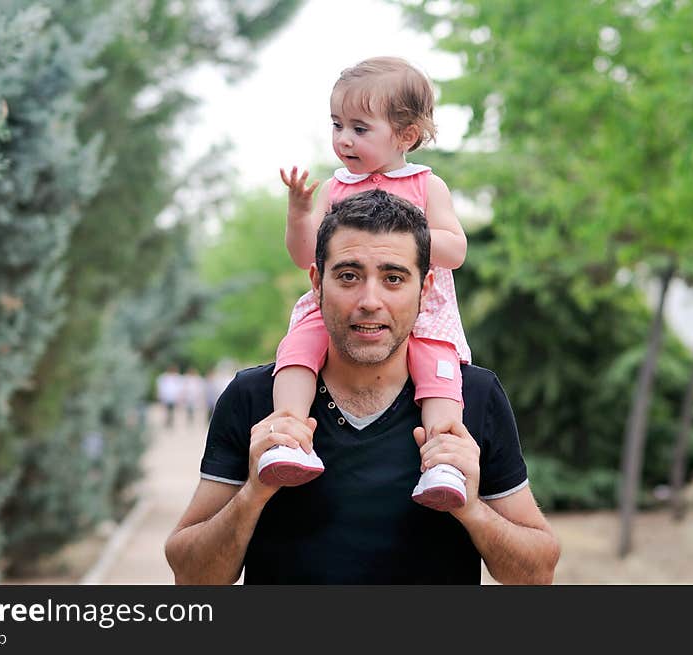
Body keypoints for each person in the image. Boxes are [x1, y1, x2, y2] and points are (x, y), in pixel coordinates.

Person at [165, 189, 560, 584]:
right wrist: (254, 493)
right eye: (349, 276)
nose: (370, 300)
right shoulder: (254, 397)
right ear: (317, 282)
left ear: (425, 290)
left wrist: (471, 508)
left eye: (393, 278)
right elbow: (190, 575)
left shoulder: (472, 397)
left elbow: (538, 574)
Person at [264, 56, 471, 511]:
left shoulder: (424, 186)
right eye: (337, 125)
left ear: (406, 136)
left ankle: (442, 459)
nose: (343, 139)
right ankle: (290, 433)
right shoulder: (335, 189)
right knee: (298, 346)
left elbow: (455, 249)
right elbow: (305, 256)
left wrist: (399, 238)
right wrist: (300, 213)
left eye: (359, 128)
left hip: (421, 312)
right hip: (343, 311)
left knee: (439, 374)